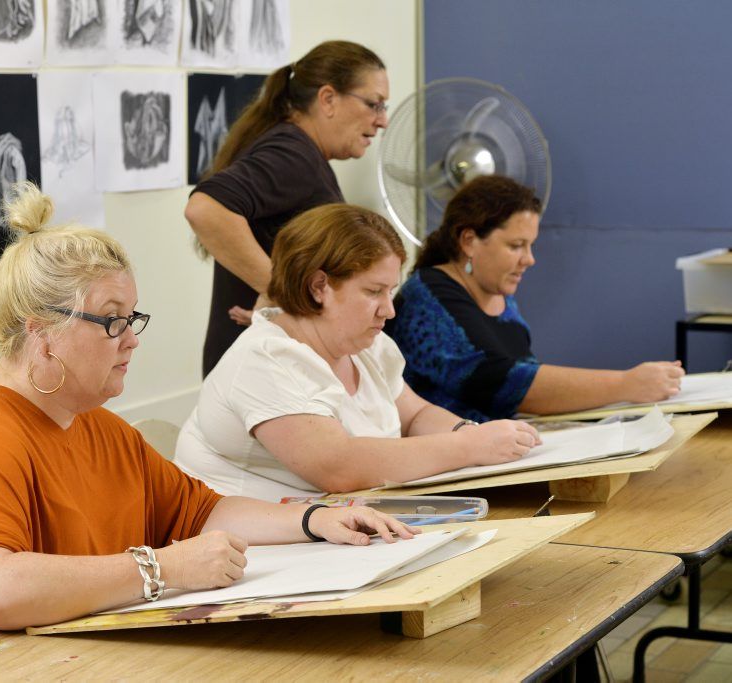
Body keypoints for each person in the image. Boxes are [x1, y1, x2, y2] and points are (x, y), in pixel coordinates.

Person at [0, 184, 417, 679]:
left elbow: (197, 511)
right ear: (43, 330)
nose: (131, 339)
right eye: (113, 319)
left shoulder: (96, 427)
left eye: (133, 318)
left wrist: (316, 519)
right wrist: (163, 569)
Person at [173, 203, 541, 501]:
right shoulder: (265, 360)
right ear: (320, 286)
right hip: (251, 556)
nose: (389, 309)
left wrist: (471, 433)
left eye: (390, 290)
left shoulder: (365, 343)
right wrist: (469, 446)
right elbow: (339, 467)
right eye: (373, 292)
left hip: (327, 534)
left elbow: (415, 415)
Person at [389, 175, 685, 422]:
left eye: (530, 245)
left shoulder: (497, 292)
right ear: (469, 241)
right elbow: (500, 382)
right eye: (516, 246)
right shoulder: (426, 297)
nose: (529, 259)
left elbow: (525, 377)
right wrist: (626, 385)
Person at [185, 40, 390, 376]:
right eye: (374, 105)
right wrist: (282, 293)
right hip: (260, 372)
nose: (381, 121)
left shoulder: (299, 151)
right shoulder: (293, 155)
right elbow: (205, 208)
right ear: (327, 99)